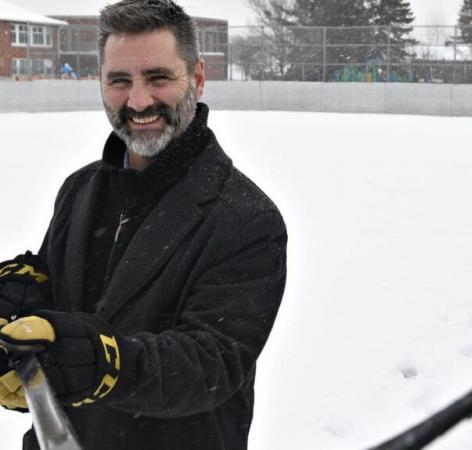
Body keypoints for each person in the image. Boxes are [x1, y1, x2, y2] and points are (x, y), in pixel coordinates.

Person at [0, 1, 287, 449]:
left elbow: (209, 364)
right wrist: (22, 303)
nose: (138, 101)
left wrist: (104, 362)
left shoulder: (246, 218)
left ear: (196, 77)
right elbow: (64, 295)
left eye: (157, 77)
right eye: (119, 81)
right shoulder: (79, 189)